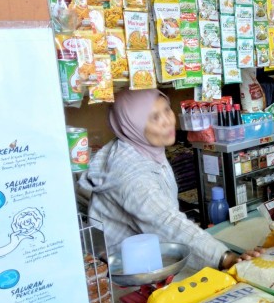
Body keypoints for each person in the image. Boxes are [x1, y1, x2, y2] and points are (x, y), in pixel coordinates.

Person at [78, 89, 257, 272]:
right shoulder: (130, 173)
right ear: (132, 125)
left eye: (167, 110)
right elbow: (165, 222)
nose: (168, 121)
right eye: (155, 117)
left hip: (149, 254)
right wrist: (225, 258)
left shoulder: (143, 147)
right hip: (126, 272)